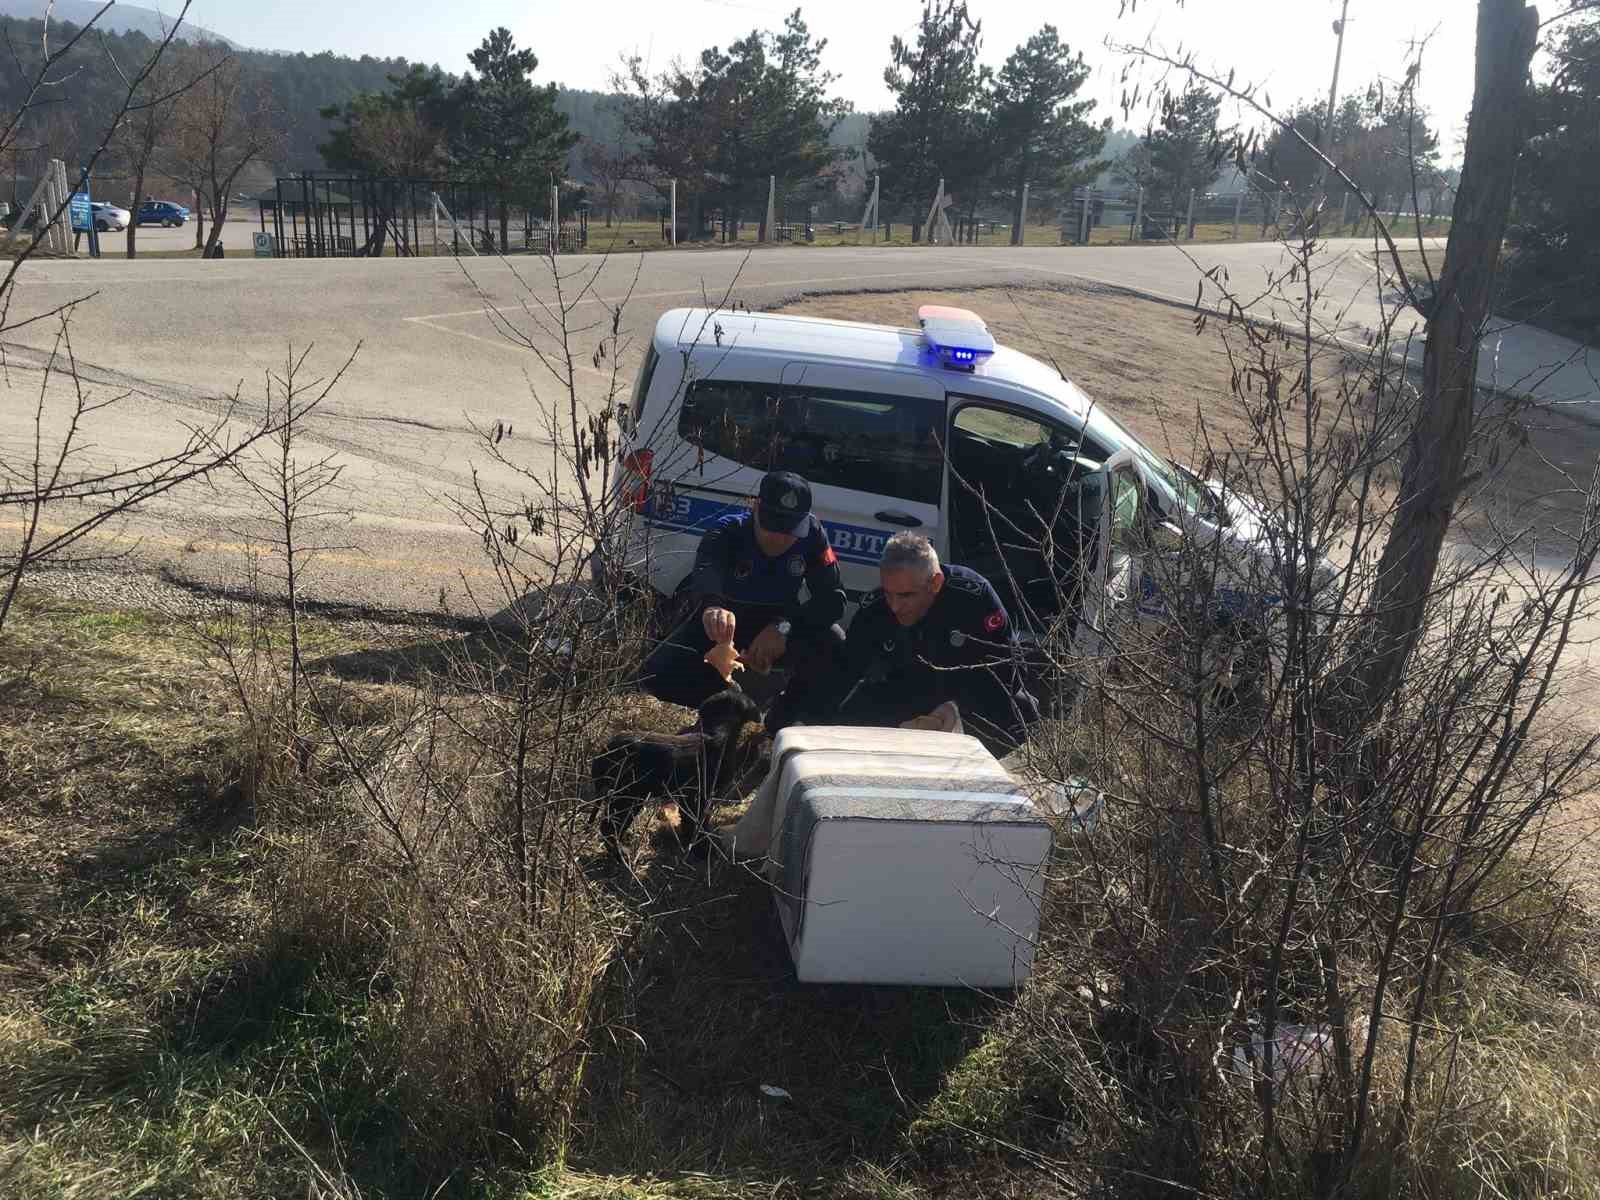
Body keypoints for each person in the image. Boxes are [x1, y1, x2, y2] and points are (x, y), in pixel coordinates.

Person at [776, 532, 1037, 755]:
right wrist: (807, 724)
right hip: (911, 692)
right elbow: (844, 670)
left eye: (906, 595)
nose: (895, 606)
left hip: (968, 692)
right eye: (889, 593)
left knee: (1022, 711)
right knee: (847, 716)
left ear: (935, 583)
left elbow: (1011, 673)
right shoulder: (877, 609)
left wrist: (957, 707)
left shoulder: (973, 598)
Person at [639, 470, 846, 714]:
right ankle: (717, 703)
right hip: (724, 628)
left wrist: (785, 627)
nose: (780, 538)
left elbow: (834, 599)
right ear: (755, 507)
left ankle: (793, 712)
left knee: (834, 641)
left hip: (778, 626)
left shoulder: (812, 534)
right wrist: (712, 607)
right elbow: (706, 573)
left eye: (790, 530)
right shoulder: (729, 530)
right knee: (655, 673)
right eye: (773, 526)